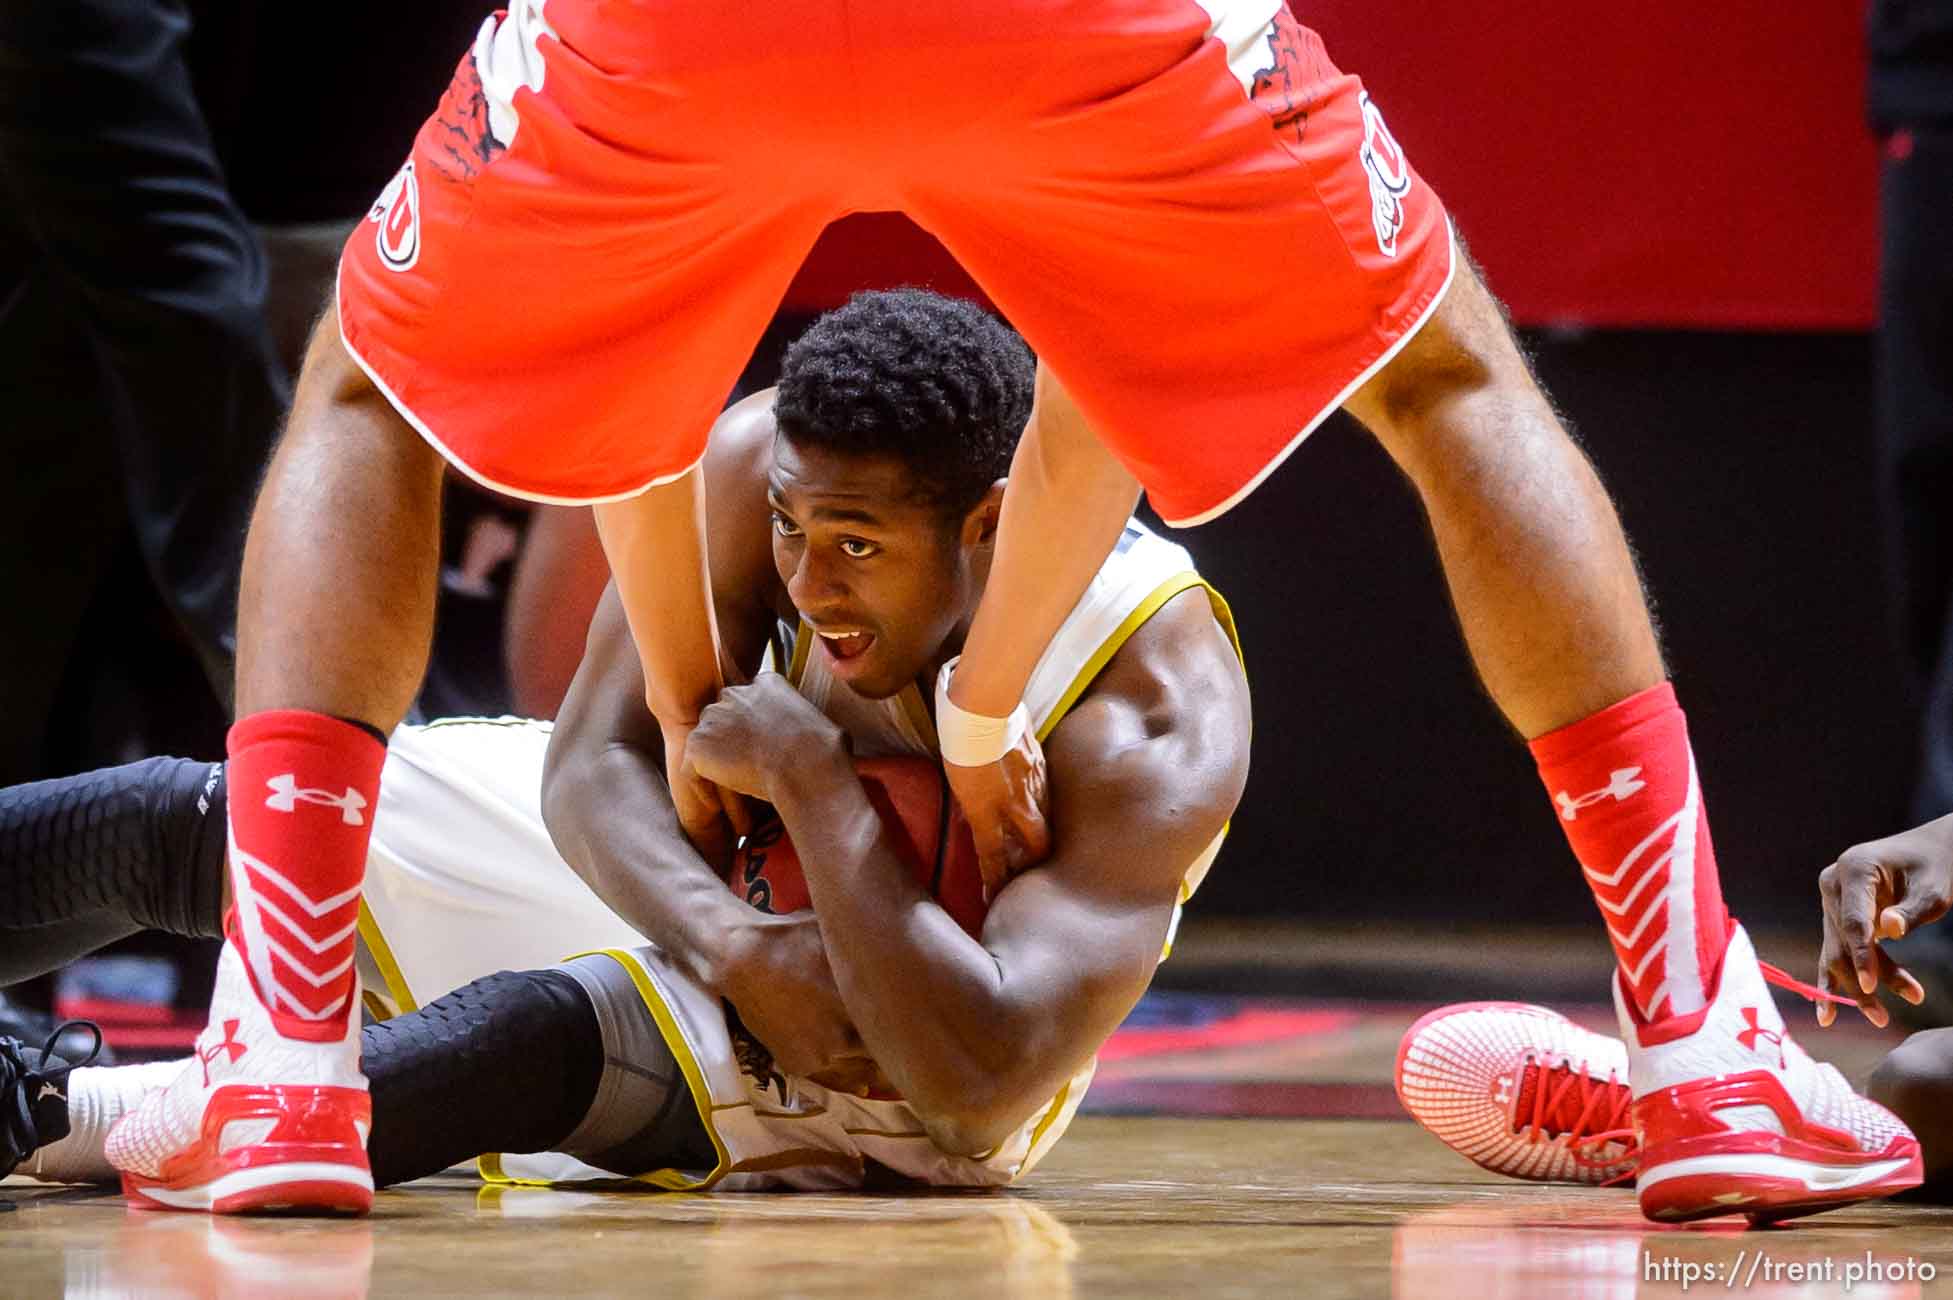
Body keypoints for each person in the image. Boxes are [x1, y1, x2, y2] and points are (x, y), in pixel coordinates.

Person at [160, 2, 1912, 1225]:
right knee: (1444, 379)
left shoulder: (1145, 665)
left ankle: (289, 1057)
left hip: (681, 34)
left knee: (363, 392)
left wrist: (776, 706)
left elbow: (647, 364)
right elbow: (1093, 373)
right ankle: (1698, 1044)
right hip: (1064, 25)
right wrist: (927, 715)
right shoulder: (973, 545)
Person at [0, 292, 1250, 1207]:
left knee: (533, 1034)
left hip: (916, 1049)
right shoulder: (771, 465)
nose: (809, 582)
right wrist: (738, 943)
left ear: (987, 527)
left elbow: (982, 1078)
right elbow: (589, 763)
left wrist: (817, 782)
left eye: (857, 546)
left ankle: (45, 1107)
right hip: (741, 908)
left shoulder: (1145, 694)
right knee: (242, 827)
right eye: (791, 531)